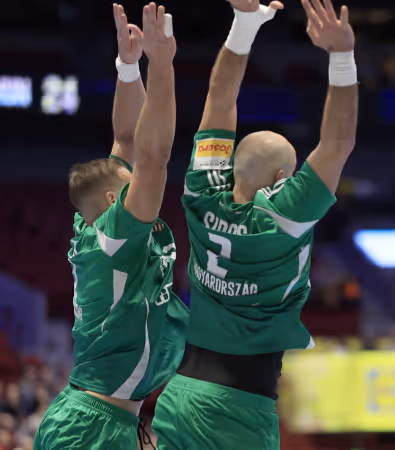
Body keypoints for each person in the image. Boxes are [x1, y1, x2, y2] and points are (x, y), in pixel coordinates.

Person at [150, 0, 358, 448]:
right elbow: (338, 142)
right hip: (241, 408)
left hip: (180, 394)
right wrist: (342, 56)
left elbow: (220, 98)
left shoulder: (202, 189)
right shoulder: (286, 215)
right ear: (282, 178)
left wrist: (243, 25)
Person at [34, 3, 187, 449]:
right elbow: (154, 157)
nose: (138, 183)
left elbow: (126, 139)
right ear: (110, 202)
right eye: (129, 182)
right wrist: (162, 65)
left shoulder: (102, 229)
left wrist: (128, 65)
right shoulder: (115, 234)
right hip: (92, 427)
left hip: (97, 418)